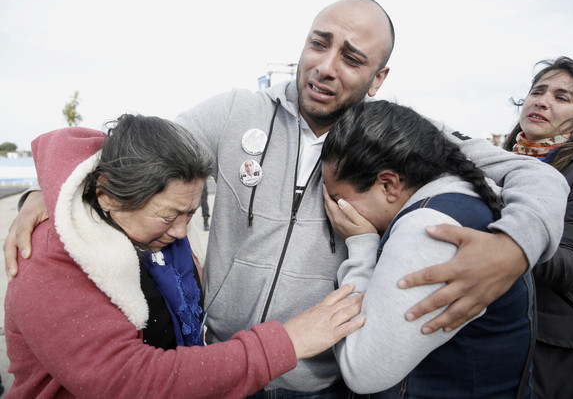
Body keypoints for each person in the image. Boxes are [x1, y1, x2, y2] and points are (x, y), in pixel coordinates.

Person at [4, 0, 569, 396]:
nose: (325, 67)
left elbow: (538, 177)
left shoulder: (399, 135)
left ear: (378, 78)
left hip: (324, 380)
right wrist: (46, 187)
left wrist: (516, 245)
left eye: (351, 58)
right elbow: (131, 151)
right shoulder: (233, 112)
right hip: (222, 368)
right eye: (318, 44)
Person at [4, 115, 364, 398]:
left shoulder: (151, 237)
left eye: (190, 214)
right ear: (107, 194)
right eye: (167, 216)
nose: (179, 232)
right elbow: (130, 383)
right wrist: (285, 342)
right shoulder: (50, 258)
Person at [321, 100, 535, 397]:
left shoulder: (429, 230)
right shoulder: (462, 196)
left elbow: (363, 371)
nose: (334, 209)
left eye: (337, 197)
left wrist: (360, 244)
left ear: (389, 185)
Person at [502, 56, 573, 398]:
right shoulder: (498, 163)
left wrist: (502, 246)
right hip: (492, 333)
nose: (542, 101)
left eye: (562, 97)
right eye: (537, 91)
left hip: (550, 348)